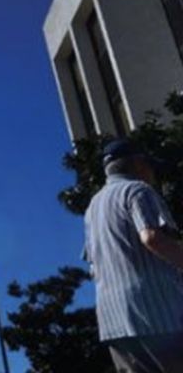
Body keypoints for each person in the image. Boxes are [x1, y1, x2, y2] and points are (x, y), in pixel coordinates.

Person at [84, 139, 183, 371]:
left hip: (114, 322)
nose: (153, 173)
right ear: (139, 164)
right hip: (157, 314)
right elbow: (152, 238)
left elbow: (93, 267)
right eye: (150, 166)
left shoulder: (92, 209)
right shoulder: (137, 190)